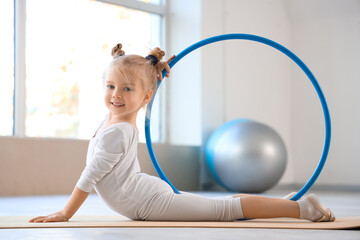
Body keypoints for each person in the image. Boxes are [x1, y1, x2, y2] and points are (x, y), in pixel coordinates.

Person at [29, 44, 335, 223]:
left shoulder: (116, 132)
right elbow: (133, 92)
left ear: (145, 98)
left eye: (126, 89)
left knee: (225, 210)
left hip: (146, 202)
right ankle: (285, 204)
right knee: (222, 205)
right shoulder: (112, 120)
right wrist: (154, 74)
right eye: (110, 86)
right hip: (142, 193)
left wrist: (65, 214)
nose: (115, 95)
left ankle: (301, 208)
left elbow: (89, 177)